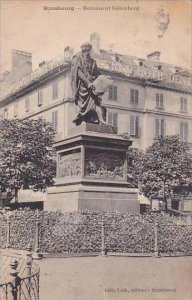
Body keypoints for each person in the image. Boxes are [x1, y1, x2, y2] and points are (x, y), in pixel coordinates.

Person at [71, 42, 107, 126]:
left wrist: (105, 78)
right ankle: (82, 119)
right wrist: (88, 83)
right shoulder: (78, 59)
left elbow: (97, 73)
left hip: (93, 86)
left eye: (88, 50)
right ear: (82, 50)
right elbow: (79, 73)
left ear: (90, 50)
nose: (86, 52)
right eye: (84, 50)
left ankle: (101, 120)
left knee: (96, 102)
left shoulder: (93, 61)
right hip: (83, 87)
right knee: (84, 105)